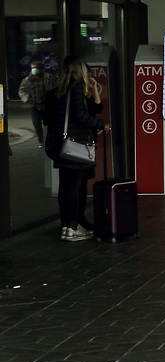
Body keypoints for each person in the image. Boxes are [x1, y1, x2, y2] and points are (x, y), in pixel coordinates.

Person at [42, 55, 109, 241]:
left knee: (66, 187)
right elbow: (81, 115)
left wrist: (93, 90)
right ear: (80, 70)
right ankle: (72, 227)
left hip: (62, 146)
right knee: (74, 188)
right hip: (76, 145)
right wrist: (100, 125)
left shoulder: (58, 91)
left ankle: (67, 225)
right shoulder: (77, 88)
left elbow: (49, 118)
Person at [18, 59, 52, 148]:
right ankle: (41, 140)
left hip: (46, 105)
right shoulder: (27, 80)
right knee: (36, 123)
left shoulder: (48, 78)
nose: (34, 70)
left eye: (35, 68)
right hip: (34, 105)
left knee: (48, 124)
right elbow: (22, 90)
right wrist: (26, 99)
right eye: (32, 68)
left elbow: (52, 90)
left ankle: (49, 140)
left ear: (40, 68)